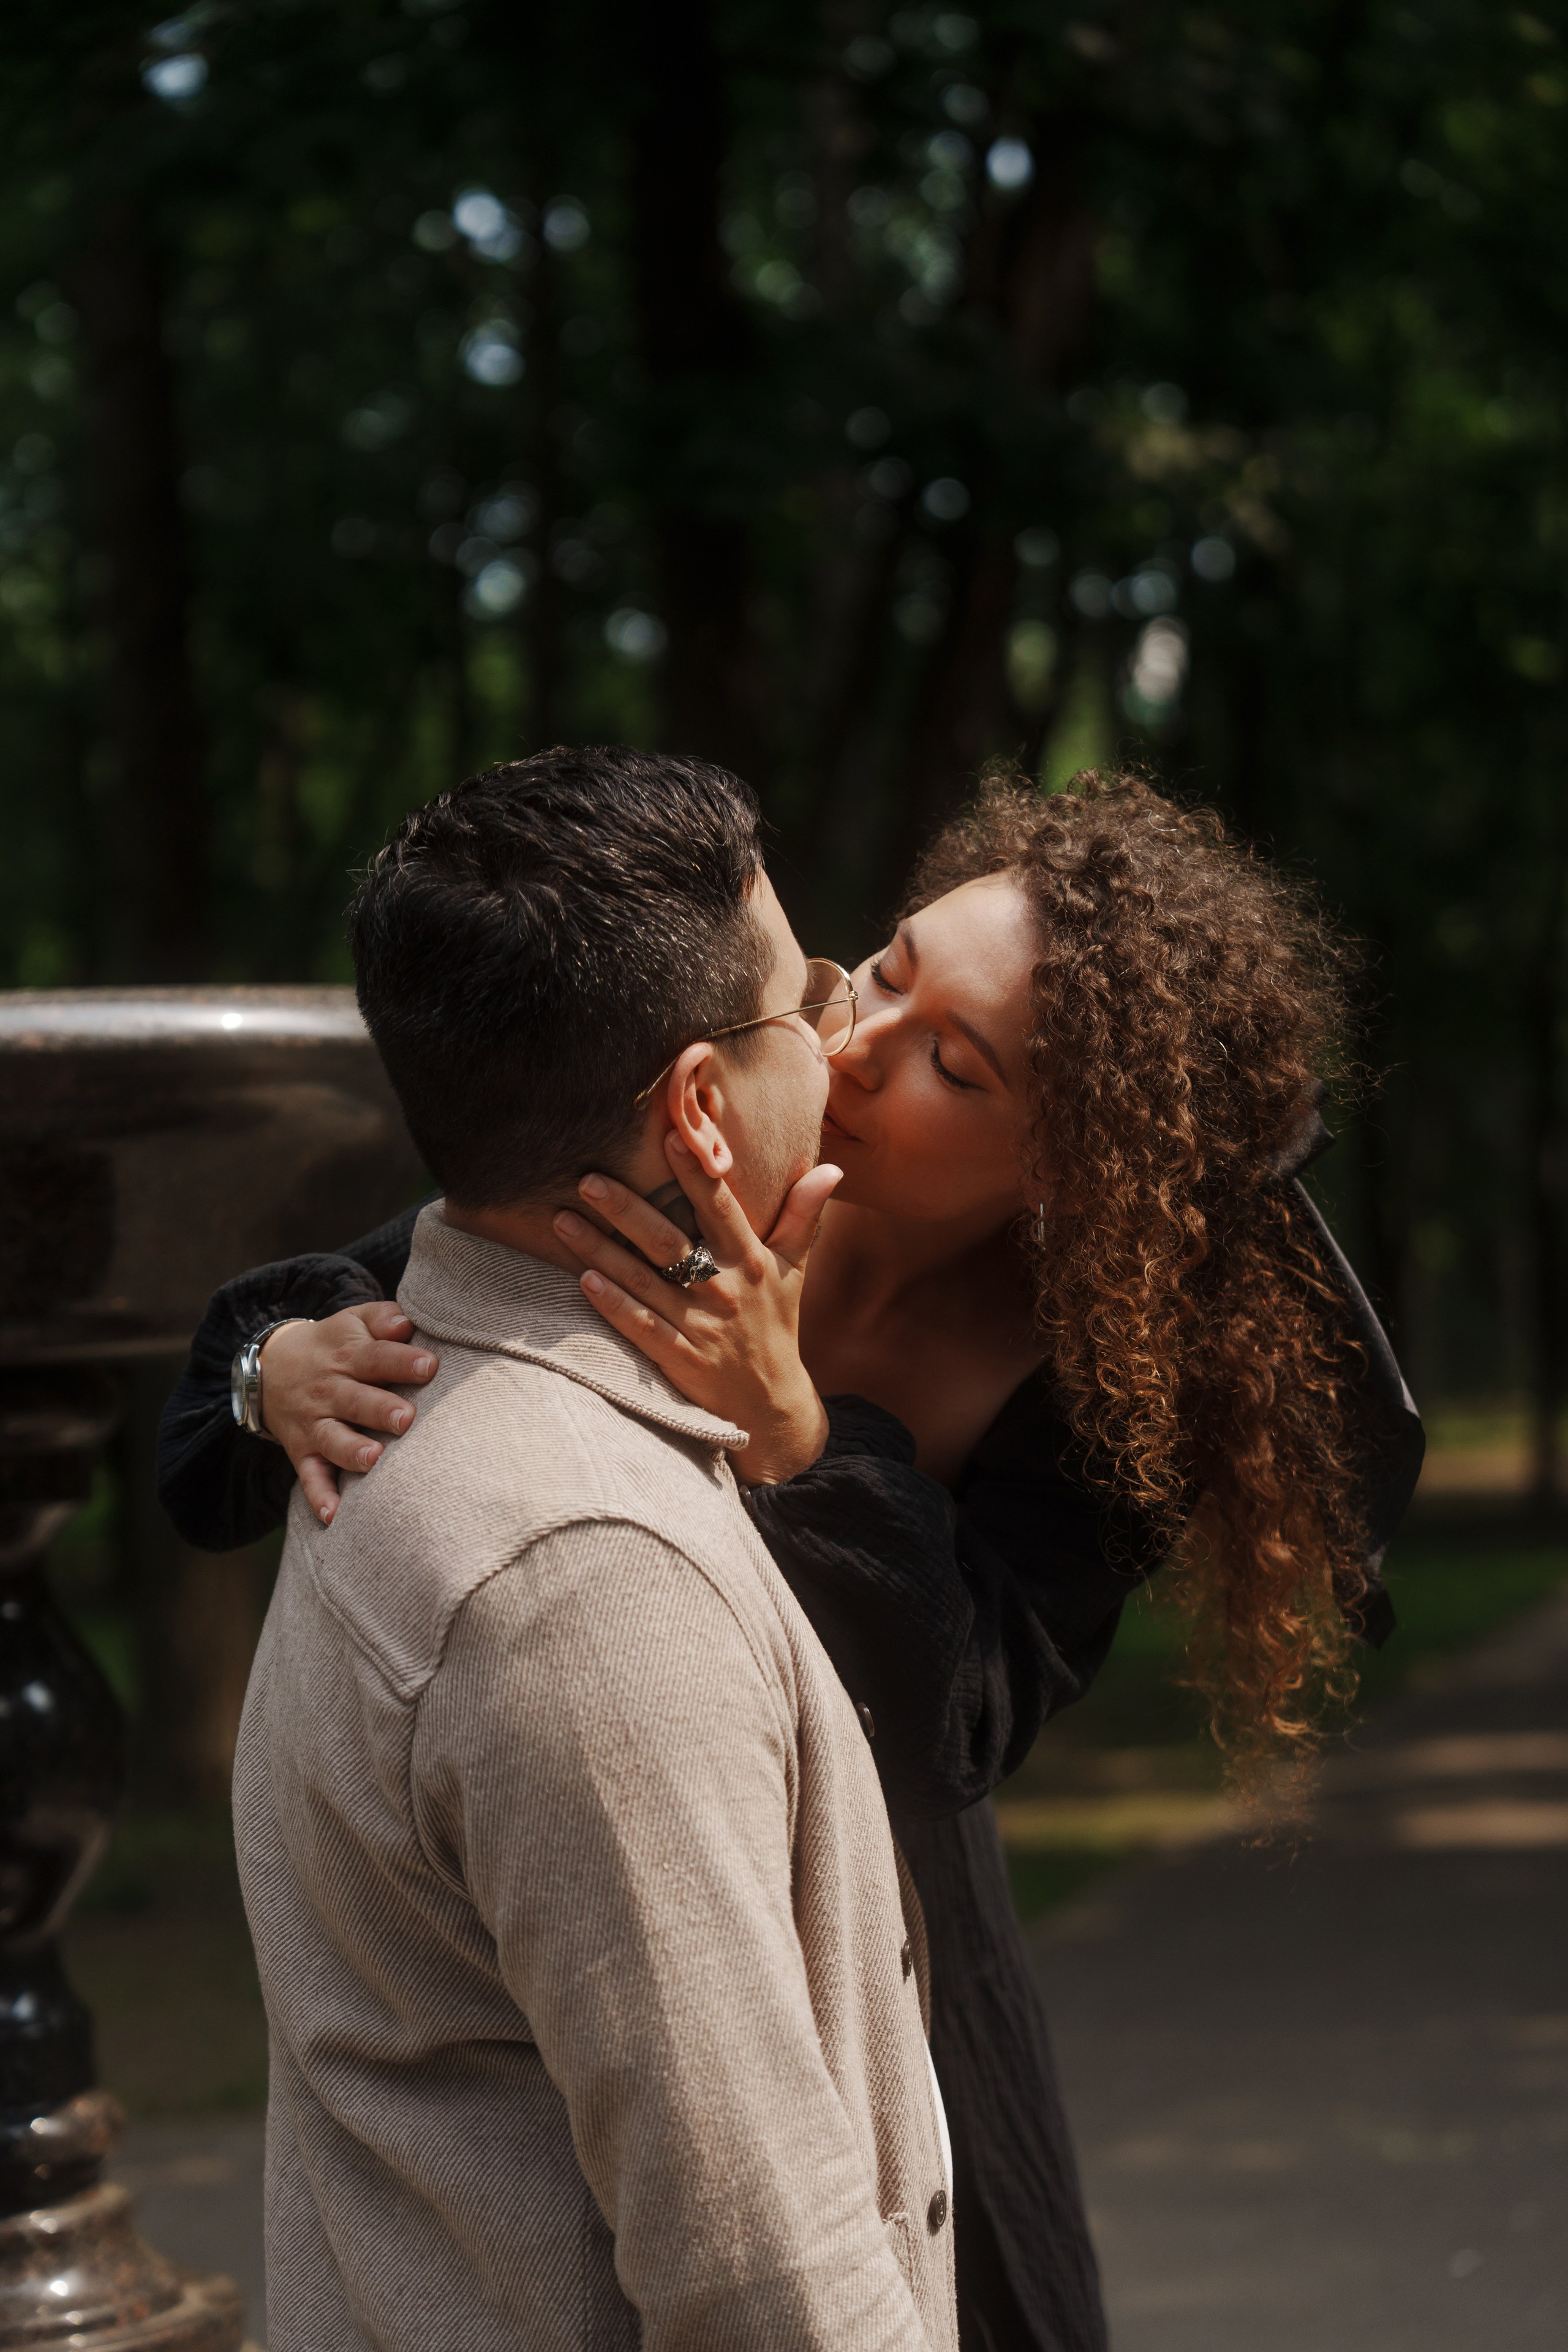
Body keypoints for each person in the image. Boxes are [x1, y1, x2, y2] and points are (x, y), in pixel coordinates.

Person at [162, 766, 1422, 2352]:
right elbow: (354, 1339)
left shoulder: (1092, 1393)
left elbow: (960, 1721)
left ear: (1069, 1166)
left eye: (950, 1064)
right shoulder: (657, 1182)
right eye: (884, 970)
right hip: (602, 1822)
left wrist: (797, 1437)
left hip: (884, 1894)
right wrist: (272, 1369)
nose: (855, 1043)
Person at [225, 747, 959, 2352]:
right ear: (700, 1106)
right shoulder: (579, 1571)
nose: (838, 1040)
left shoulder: (418, 1400)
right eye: (805, 1004)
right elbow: (758, 2276)